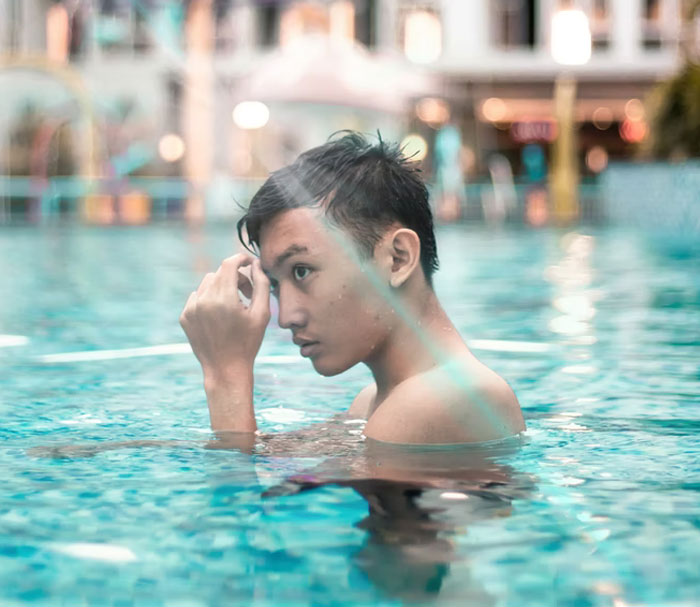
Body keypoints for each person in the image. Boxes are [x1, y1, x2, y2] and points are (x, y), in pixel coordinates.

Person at [179, 131, 525, 445]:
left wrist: (227, 374)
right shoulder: (373, 403)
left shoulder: (445, 400)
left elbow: (236, 492)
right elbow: (268, 457)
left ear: (398, 259)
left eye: (302, 271)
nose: (285, 317)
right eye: (275, 285)